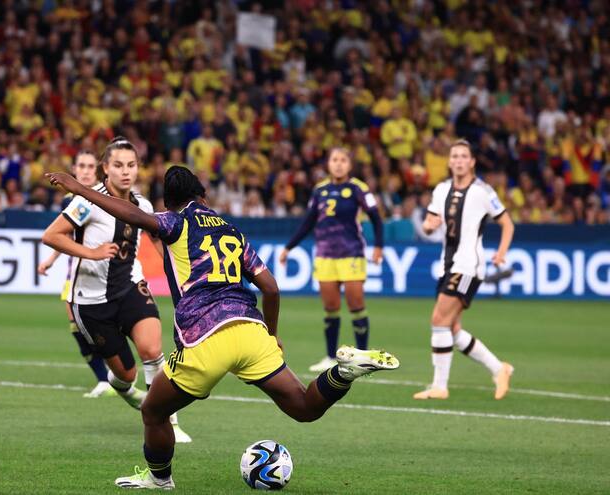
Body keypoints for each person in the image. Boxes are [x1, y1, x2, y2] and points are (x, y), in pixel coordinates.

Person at [46, 165, 400, 490]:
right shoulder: (232, 231)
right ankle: (344, 373)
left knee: (154, 411)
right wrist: (273, 334)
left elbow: (135, 216)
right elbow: (271, 288)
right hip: (250, 329)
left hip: (205, 334)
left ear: (170, 203)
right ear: (203, 196)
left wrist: (79, 187)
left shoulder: (175, 222)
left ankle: (160, 479)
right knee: (305, 407)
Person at [41, 137, 191, 442]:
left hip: (130, 287)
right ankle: (123, 388)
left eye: (132, 165)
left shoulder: (143, 205)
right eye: (119, 165)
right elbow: (51, 235)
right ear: (105, 169)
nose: (126, 172)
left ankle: (168, 422)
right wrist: (93, 253)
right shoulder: (86, 203)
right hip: (91, 301)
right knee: (126, 374)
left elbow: (159, 243)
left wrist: (183, 275)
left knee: (152, 350)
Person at [415, 139, 515, 400]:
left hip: (468, 266)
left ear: (472, 162)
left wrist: (501, 252)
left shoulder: (483, 191)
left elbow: (507, 223)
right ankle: (499, 368)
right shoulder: (441, 190)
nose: (459, 160)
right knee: (452, 329)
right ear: (449, 162)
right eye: (455, 156)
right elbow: (429, 223)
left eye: (463, 156)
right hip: (447, 265)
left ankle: (439, 385)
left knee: (439, 321)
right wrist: (428, 226)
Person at [278, 147, 384, 372]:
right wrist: (289, 247)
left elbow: (376, 218)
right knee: (331, 307)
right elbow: (308, 222)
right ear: (328, 164)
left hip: (352, 253)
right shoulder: (320, 190)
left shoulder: (358, 188)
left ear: (350, 164)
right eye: (334, 160)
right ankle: (329, 356)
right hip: (325, 255)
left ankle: (362, 357)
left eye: (343, 160)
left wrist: (378, 246)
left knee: (356, 304)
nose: (338, 164)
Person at [37, 150, 115, 398]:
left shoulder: (103, 197)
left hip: (107, 270)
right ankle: (105, 379)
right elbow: (67, 235)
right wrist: (51, 259)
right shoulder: (71, 199)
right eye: (81, 165)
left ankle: (118, 373)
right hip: (78, 271)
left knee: (104, 324)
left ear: (99, 170)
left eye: (90, 166)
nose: (85, 170)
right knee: (76, 324)